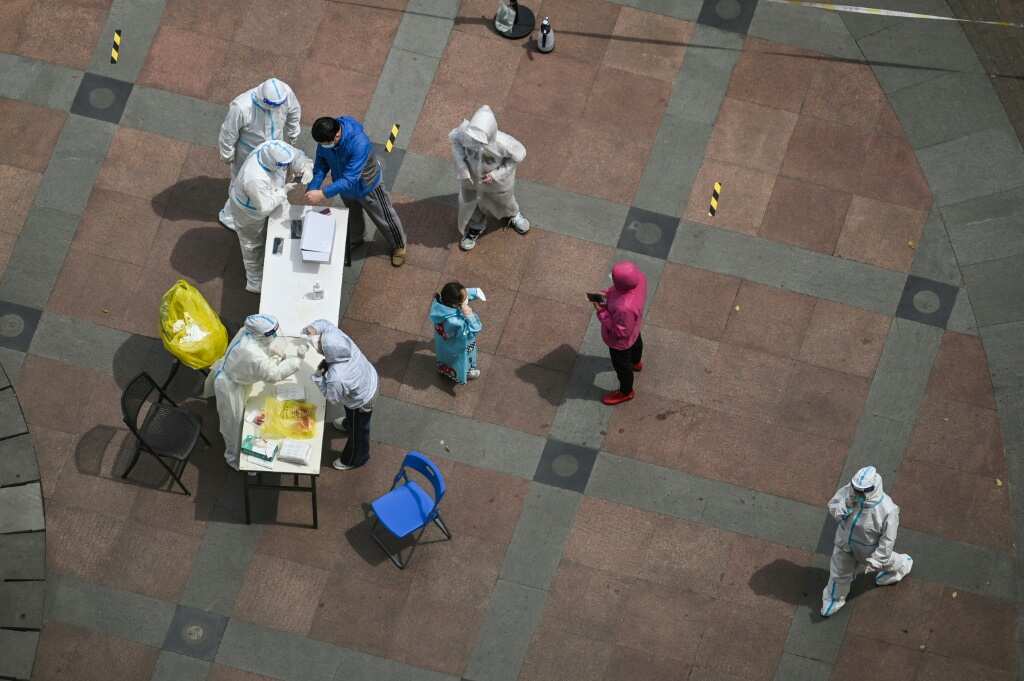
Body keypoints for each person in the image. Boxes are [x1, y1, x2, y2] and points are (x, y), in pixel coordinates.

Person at [304, 116, 408, 267]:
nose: (321, 146)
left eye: (325, 144)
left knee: (385, 217)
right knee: (352, 216)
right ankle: (356, 238)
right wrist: (314, 186)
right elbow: (321, 164)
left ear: (337, 135)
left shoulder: (359, 143)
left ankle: (399, 245)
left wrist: (322, 193)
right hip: (343, 186)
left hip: (368, 185)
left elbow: (350, 179)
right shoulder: (325, 139)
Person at [204, 315, 305, 470]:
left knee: (242, 415)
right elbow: (273, 375)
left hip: (236, 378)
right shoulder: (251, 353)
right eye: (271, 334)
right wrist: (295, 362)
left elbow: (261, 348)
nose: (274, 337)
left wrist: (274, 351)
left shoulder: (248, 331)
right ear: (260, 335)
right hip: (230, 388)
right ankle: (233, 457)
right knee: (233, 423)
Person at [821, 466, 913, 617]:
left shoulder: (888, 510)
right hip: (844, 543)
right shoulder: (848, 491)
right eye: (856, 488)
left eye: (861, 490)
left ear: (873, 488)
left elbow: (887, 540)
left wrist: (878, 559)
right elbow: (833, 505)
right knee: (839, 572)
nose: (857, 493)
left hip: (869, 549)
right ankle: (834, 599)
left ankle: (903, 565)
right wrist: (841, 509)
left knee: (887, 561)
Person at [225, 140, 312, 293]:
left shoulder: (274, 147)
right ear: (273, 163)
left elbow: (296, 156)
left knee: (288, 224)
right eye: (283, 165)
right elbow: (264, 207)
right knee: (251, 243)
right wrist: (283, 192)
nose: (286, 167)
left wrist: (305, 167)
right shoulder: (253, 178)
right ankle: (254, 279)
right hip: (249, 210)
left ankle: (285, 255)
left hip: (275, 192)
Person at [218, 78, 302, 232]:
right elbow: (228, 132)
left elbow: (294, 111)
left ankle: (269, 207)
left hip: (276, 149)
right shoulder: (242, 106)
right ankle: (230, 217)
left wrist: (293, 132)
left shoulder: (285, 93)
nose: (277, 108)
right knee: (240, 184)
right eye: (273, 105)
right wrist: (227, 154)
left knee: (276, 179)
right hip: (248, 153)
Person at [449, 104, 529, 252]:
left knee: (504, 201)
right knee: (472, 203)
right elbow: (455, 142)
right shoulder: (464, 134)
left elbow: (517, 157)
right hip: (471, 180)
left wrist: (496, 175)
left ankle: (512, 214)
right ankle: (476, 225)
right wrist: (462, 168)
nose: (475, 142)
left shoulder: (503, 143)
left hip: (498, 184)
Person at [302, 320, 379, 471]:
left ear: (329, 354)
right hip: (368, 378)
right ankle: (349, 423)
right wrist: (313, 328)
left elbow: (332, 397)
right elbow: (324, 324)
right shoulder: (338, 338)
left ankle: (356, 458)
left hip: (363, 399)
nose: (317, 344)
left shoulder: (337, 376)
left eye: (320, 347)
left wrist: (318, 376)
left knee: (359, 430)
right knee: (353, 415)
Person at [592, 261, 647, 406]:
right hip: (634, 327)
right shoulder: (640, 278)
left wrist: (601, 312)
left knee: (622, 367)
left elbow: (619, 332)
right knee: (636, 343)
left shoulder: (624, 309)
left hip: (620, 344)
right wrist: (607, 294)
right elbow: (619, 290)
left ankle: (626, 392)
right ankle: (636, 363)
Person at [430, 282, 485, 384]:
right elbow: (475, 328)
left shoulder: (439, 303)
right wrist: (469, 314)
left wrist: (473, 292)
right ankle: (467, 372)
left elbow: (459, 295)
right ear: (456, 305)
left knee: (445, 356)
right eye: (464, 300)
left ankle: (442, 368)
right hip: (458, 345)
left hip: (443, 342)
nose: (466, 299)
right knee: (461, 360)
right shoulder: (455, 321)